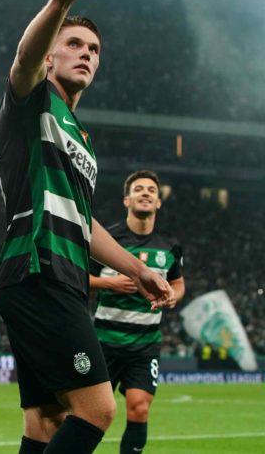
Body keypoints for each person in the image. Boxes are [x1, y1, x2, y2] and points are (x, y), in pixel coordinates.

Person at [0, 0, 174, 454]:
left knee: (46, 421)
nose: (86, 55)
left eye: (93, 51)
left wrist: (137, 270)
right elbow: (25, 57)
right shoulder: (33, 102)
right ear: (52, 55)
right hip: (39, 269)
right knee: (98, 409)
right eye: (74, 45)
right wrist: (64, 0)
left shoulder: (81, 136)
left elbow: (85, 222)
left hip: (60, 277)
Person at [89, 170, 185, 454]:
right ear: (126, 200)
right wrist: (111, 282)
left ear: (158, 203)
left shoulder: (170, 247)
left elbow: (178, 284)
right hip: (104, 343)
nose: (145, 193)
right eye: (139, 189)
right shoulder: (107, 240)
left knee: (139, 408)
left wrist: (172, 297)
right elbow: (78, 278)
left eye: (151, 190)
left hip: (145, 346)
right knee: (92, 414)